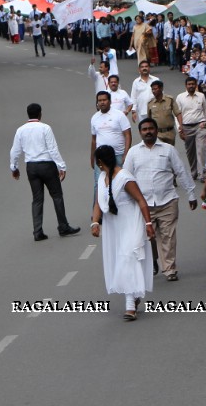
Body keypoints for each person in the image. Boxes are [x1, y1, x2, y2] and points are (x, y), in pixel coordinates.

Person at [124, 118, 196, 282]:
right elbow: (126, 179)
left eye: (151, 128)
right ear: (140, 132)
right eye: (144, 129)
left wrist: (191, 194)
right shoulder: (133, 153)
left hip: (167, 201)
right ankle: (153, 260)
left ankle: (169, 269)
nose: (148, 131)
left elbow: (181, 172)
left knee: (168, 236)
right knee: (147, 238)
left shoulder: (168, 150)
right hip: (143, 205)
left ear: (156, 131)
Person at [90, 144, 156, 321]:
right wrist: (95, 222)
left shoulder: (125, 178)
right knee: (120, 260)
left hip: (131, 223)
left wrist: (148, 223)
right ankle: (133, 296)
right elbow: (98, 202)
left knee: (128, 258)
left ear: (102, 162)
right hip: (114, 226)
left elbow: (141, 201)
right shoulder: (102, 178)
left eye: (98, 162)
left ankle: (130, 306)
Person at [9, 103, 80, 241]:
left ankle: (37, 231)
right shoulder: (45, 128)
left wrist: (14, 167)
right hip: (47, 166)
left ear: (28, 114)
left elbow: (15, 151)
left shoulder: (20, 130)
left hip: (31, 167)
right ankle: (63, 226)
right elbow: (52, 148)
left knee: (37, 199)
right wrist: (62, 166)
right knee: (57, 195)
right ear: (40, 114)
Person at [90, 91, 132, 203]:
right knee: (99, 183)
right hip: (100, 158)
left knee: (120, 181)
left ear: (109, 101)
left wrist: (126, 154)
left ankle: (120, 205)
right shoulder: (94, 118)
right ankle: (97, 214)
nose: (102, 102)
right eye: (99, 100)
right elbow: (94, 140)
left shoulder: (119, 115)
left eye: (104, 100)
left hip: (117, 155)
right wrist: (92, 157)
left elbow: (127, 135)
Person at [177, 76, 206, 181]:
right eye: (189, 84)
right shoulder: (180, 97)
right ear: (186, 86)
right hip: (186, 127)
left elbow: (205, 111)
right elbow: (177, 114)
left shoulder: (201, 96)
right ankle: (193, 172)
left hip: (200, 126)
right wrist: (180, 128)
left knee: (201, 150)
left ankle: (202, 174)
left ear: (196, 85)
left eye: (193, 84)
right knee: (190, 151)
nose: (191, 86)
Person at [145, 80, 181, 145]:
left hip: (170, 133)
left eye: (155, 89)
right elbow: (149, 120)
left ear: (161, 88)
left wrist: (181, 125)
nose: (153, 91)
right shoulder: (150, 103)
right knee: (159, 153)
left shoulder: (170, 100)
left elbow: (178, 113)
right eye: (152, 89)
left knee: (170, 152)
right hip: (157, 134)